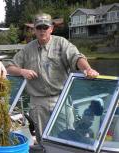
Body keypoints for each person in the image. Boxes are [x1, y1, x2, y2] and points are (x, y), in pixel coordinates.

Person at [6, 13, 99, 141]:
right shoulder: (27, 49)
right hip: (37, 103)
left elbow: (77, 57)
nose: (42, 31)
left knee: (67, 137)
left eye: (45, 27)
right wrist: (22, 71)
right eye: (39, 28)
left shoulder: (61, 43)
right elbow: (9, 68)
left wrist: (88, 69)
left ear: (51, 29)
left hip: (60, 100)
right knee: (42, 139)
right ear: (34, 30)